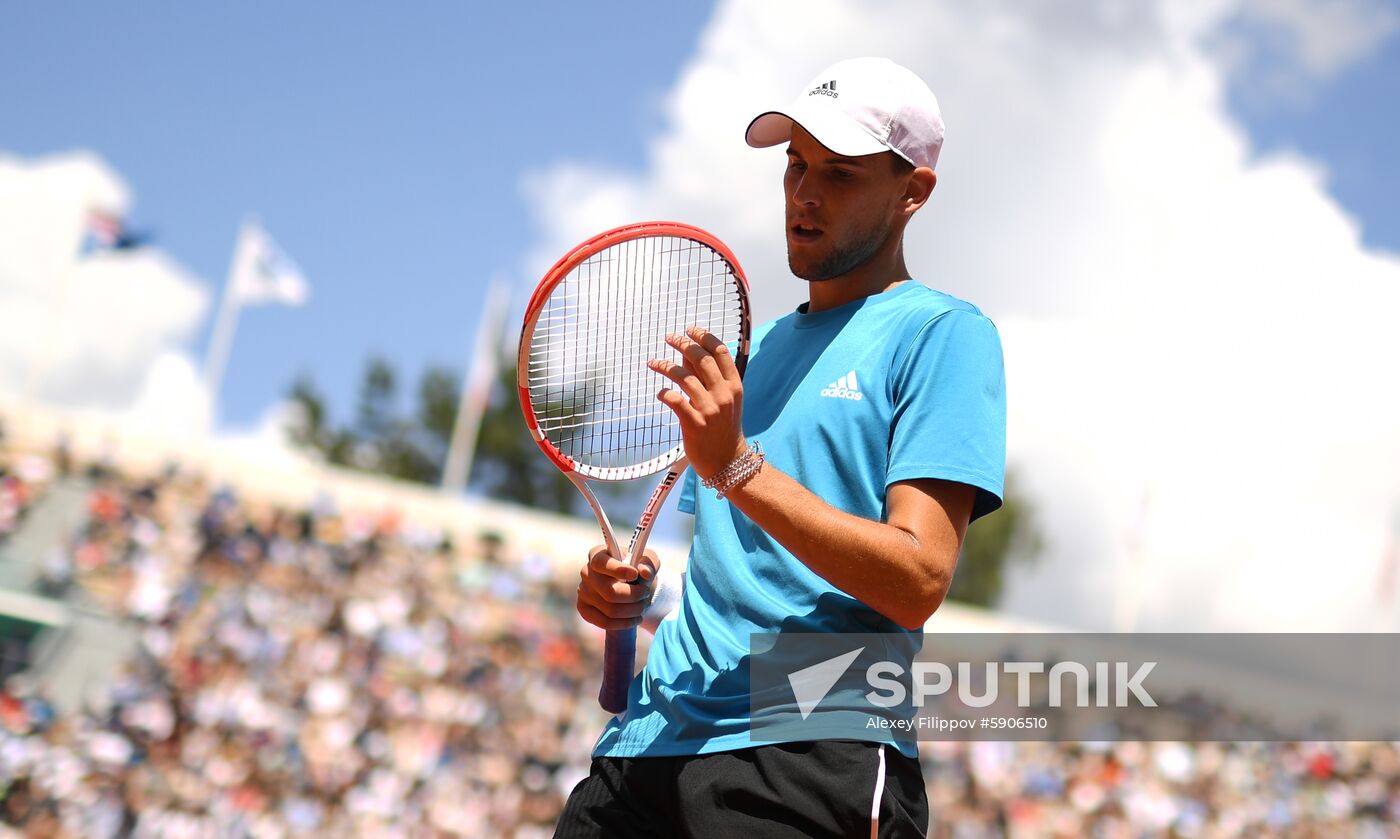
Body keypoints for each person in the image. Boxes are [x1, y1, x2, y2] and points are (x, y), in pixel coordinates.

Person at [557, 57, 1006, 838]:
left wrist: (735, 465)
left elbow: (918, 576)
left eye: (839, 173)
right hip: (648, 741)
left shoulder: (943, 334)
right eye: (796, 163)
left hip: (810, 744)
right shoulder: (750, 353)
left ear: (913, 192)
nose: (804, 191)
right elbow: (739, 582)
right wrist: (634, 602)